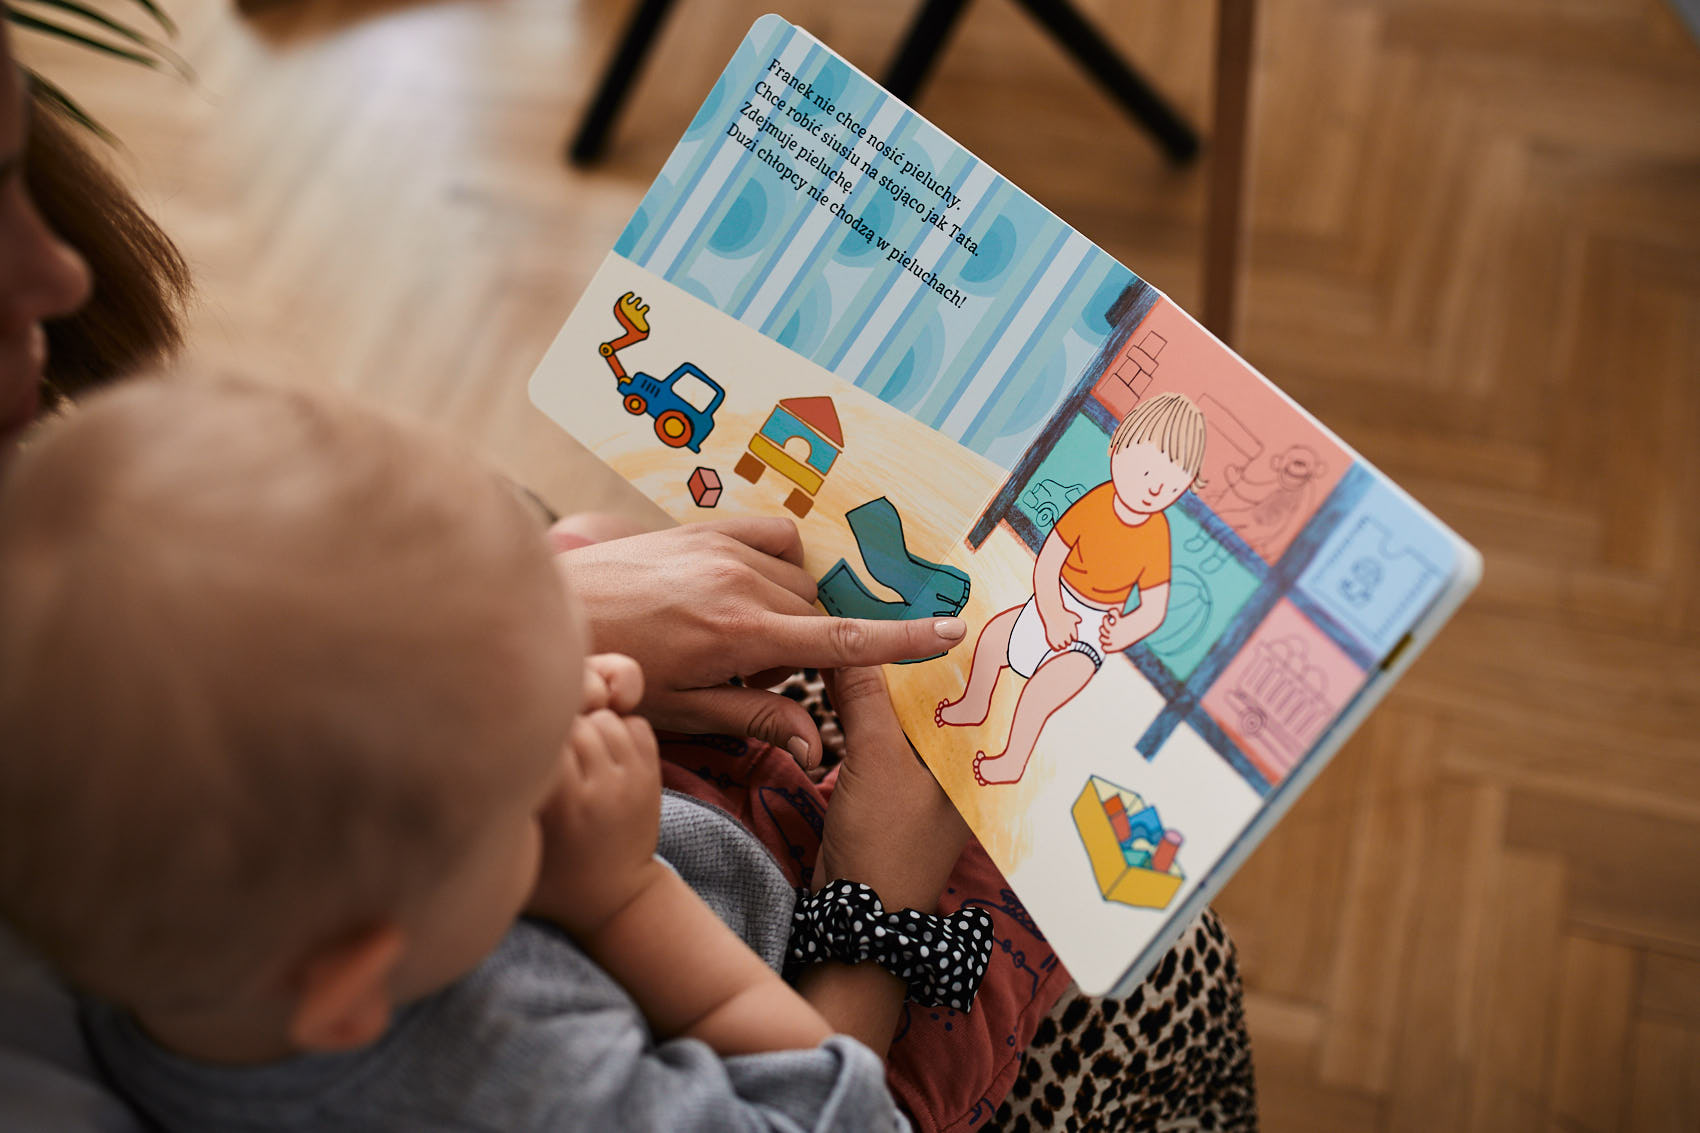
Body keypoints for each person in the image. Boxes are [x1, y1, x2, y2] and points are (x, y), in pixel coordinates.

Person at [0, 376, 980, 1130]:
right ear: (351, 986)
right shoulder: (512, 1073)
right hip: (797, 1002)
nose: (604, 685)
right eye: (534, 757)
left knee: (593, 539)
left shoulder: (184, 908)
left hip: (666, 860)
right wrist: (627, 897)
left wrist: (552, 605)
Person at [936, 392, 1207, 787]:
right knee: (994, 639)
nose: (1153, 489)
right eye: (1146, 472)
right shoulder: (1095, 503)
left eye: (1170, 486)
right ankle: (974, 703)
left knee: (1040, 693)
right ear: (1116, 449)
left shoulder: (1157, 534)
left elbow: (1154, 607)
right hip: (1055, 599)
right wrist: (1052, 612)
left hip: (1093, 630)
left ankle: (1012, 761)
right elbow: (1049, 562)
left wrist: (1123, 632)